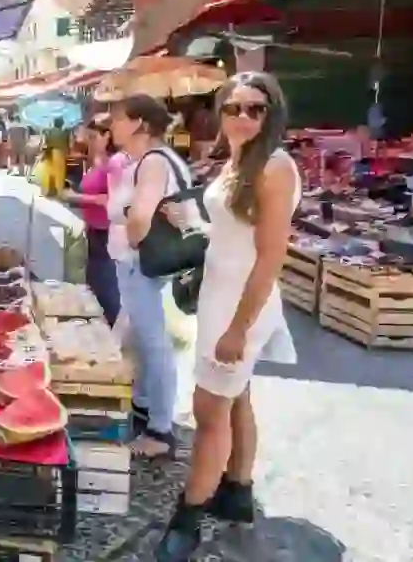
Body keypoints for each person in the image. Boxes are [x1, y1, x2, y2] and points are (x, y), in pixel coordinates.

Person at [155, 72, 299, 560]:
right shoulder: (240, 160)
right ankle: (236, 490)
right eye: (233, 107)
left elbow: (269, 256)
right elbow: (231, 230)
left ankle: (188, 519)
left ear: (271, 113)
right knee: (236, 400)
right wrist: (193, 222)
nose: (242, 117)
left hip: (241, 307)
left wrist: (239, 327)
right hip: (218, 298)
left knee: (209, 413)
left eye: (255, 108)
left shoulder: (275, 168)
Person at [106, 94, 192, 460]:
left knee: (154, 343)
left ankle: (160, 429)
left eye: (117, 118)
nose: (111, 125)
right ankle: (144, 408)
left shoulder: (154, 162)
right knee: (143, 340)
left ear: (139, 123)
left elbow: (141, 215)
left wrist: (134, 241)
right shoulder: (152, 160)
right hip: (142, 265)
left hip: (141, 265)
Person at [60, 117, 125, 325]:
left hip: (106, 233)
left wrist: (74, 197)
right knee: (95, 285)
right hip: (94, 231)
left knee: (107, 289)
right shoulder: (95, 162)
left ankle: (115, 336)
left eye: (93, 137)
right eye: (88, 137)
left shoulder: (114, 164)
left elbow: (107, 200)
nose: (89, 141)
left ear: (108, 136)